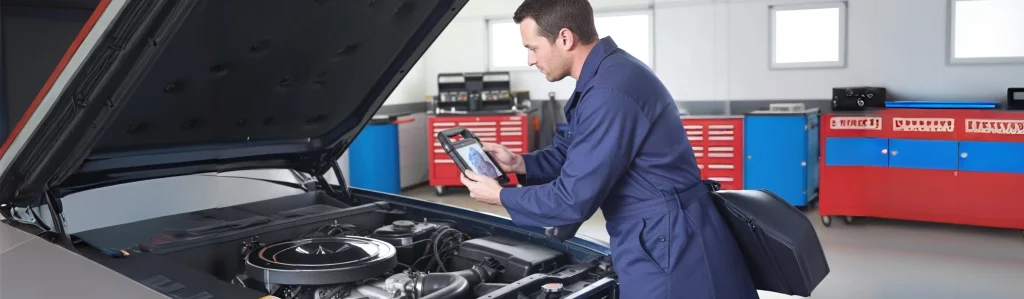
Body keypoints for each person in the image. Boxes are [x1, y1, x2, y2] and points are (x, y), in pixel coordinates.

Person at [458, 1, 760, 299]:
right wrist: (519, 164)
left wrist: (499, 196)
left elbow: (571, 199)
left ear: (564, 38)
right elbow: (575, 152)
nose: (530, 60)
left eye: (533, 48)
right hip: (658, 233)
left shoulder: (608, 91)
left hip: (667, 241)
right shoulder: (606, 74)